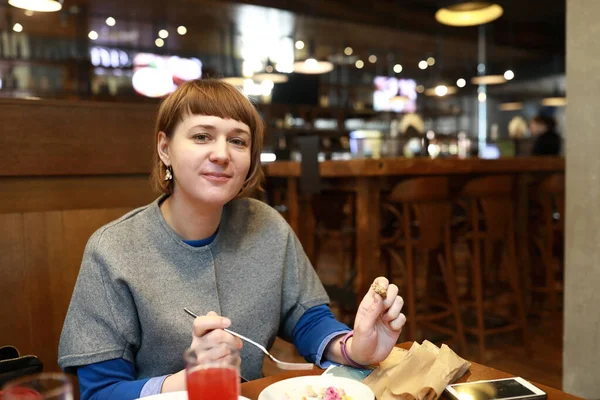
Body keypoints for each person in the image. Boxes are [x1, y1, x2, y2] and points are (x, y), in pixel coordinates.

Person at [58, 79, 406, 399]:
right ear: (165, 148)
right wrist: (190, 380)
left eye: (237, 140)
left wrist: (353, 348)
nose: (222, 154)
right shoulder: (113, 249)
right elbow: (100, 391)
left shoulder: (266, 225)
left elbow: (306, 318)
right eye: (202, 136)